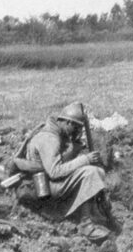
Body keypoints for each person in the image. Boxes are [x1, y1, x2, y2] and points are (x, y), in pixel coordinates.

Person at [15, 102, 116, 243]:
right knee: (91, 172)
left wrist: (73, 150)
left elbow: (57, 161)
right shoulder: (50, 139)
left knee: (94, 171)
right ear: (67, 122)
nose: (76, 132)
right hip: (43, 187)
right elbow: (55, 172)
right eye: (75, 127)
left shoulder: (53, 132)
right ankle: (86, 225)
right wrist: (84, 159)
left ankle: (92, 213)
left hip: (47, 181)